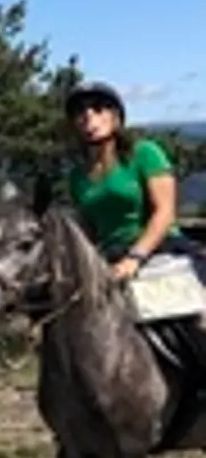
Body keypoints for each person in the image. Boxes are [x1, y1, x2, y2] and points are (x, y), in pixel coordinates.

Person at [65, 80, 206, 383]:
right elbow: (87, 229)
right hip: (108, 262)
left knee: (195, 323)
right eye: (80, 112)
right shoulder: (77, 177)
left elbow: (164, 212)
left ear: (116, 116)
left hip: (158, 250)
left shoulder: (144, 154)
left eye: (98, 108)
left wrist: (135, 257)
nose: (88, 117)